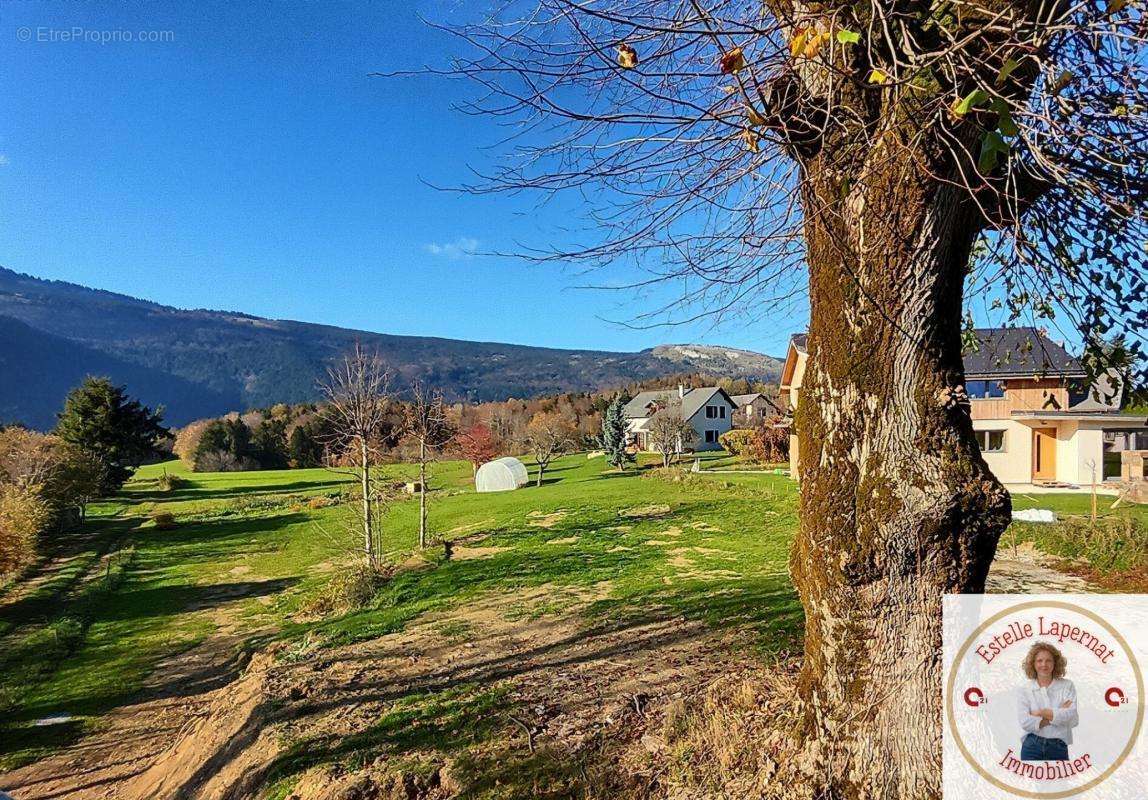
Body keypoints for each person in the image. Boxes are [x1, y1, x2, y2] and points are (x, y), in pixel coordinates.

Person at [1016, 641, 1078, 761]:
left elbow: (1072, 717)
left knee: (1060, 780)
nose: (1044, 664)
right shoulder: (1025, 690)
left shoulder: (1067, 685)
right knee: (1030, 780)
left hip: (1058, 747)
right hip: (1031, 747)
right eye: (1039, 660)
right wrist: (1057, 715)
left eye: (1048, 660)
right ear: (1033, 664)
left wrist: (1040, 713)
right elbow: (1025, 722)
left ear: (1055, 663)